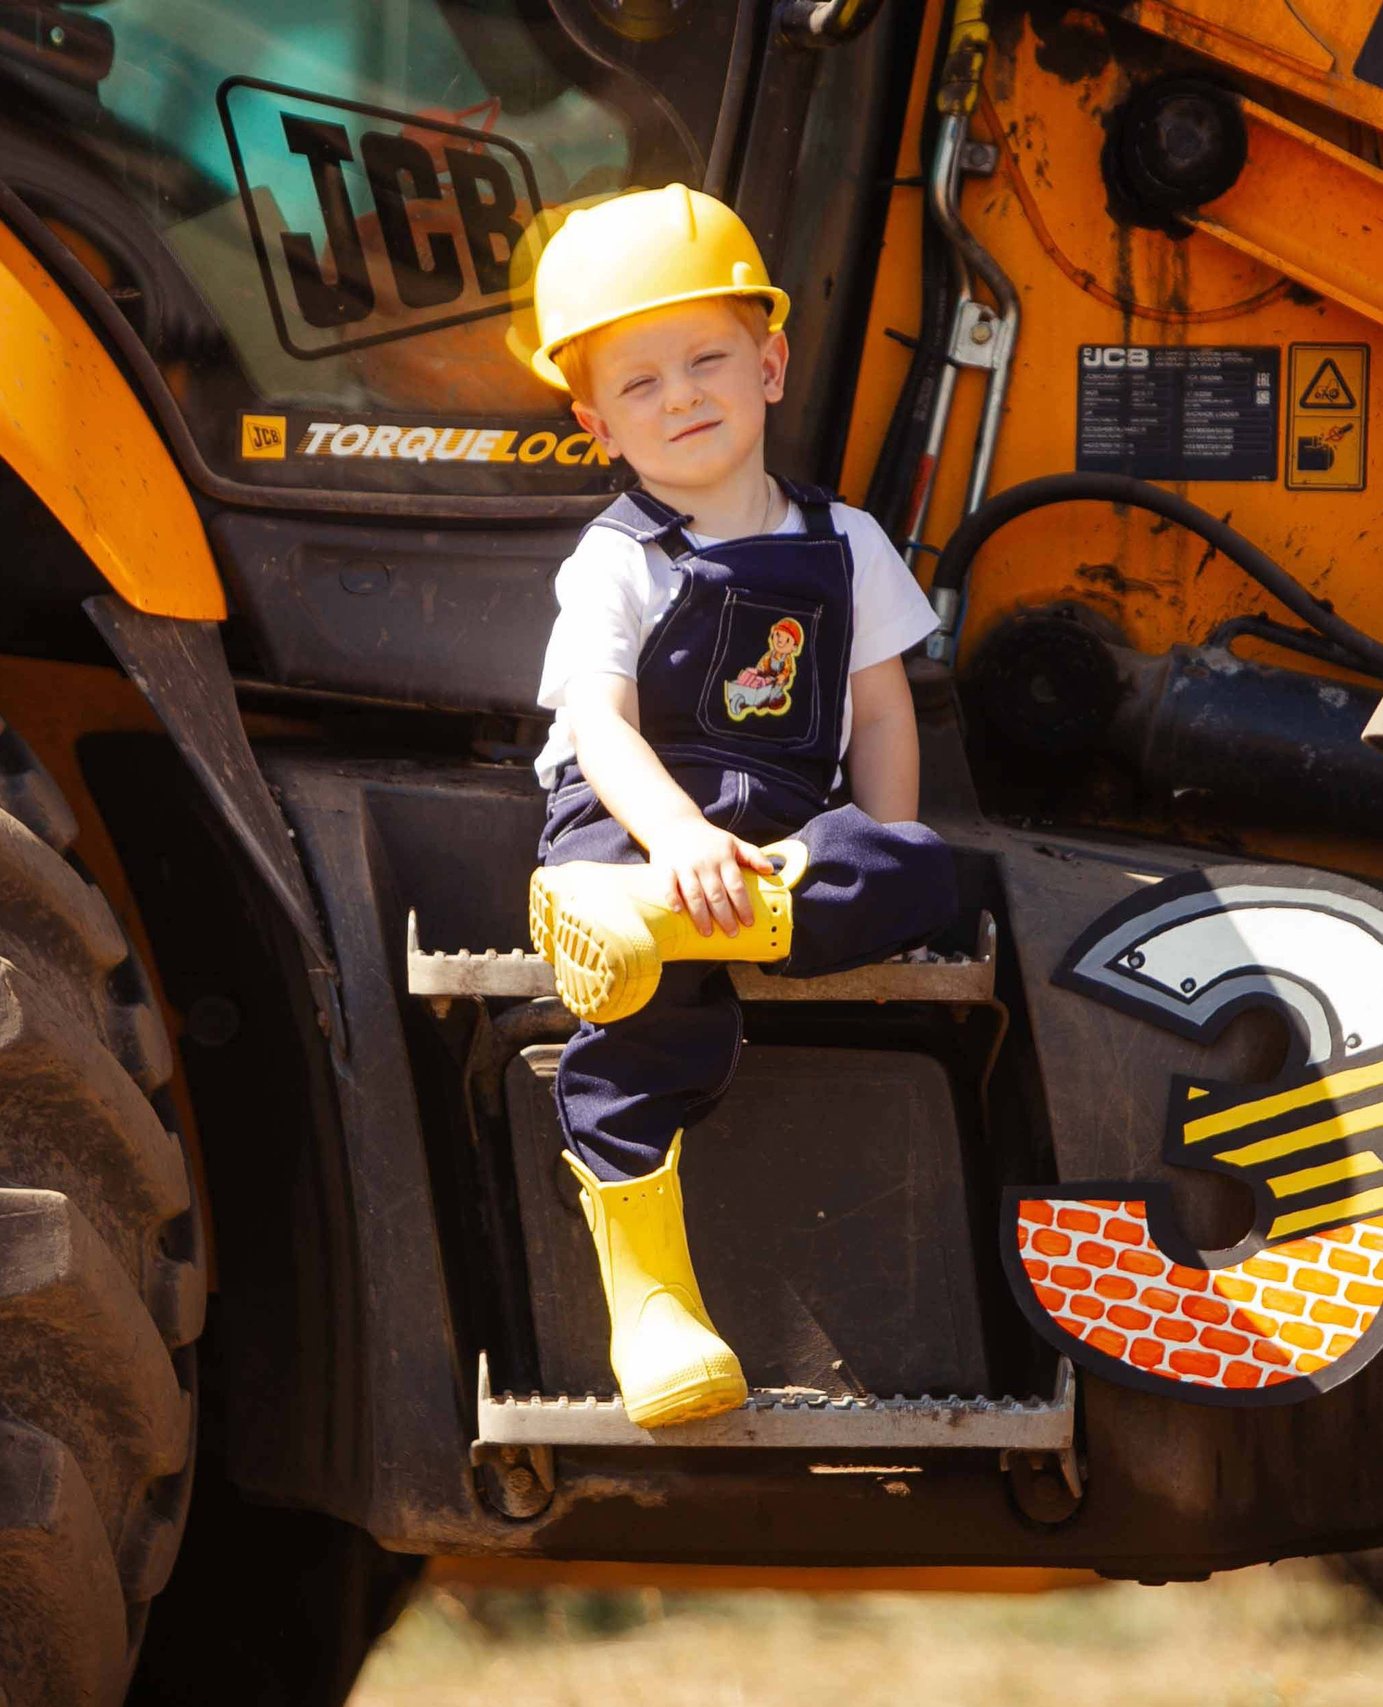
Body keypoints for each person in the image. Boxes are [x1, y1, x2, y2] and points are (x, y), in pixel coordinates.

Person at [520, 185, 958, 1428]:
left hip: (776, 838)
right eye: (640, 382)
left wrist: (876, 856)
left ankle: (687, 918)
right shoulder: (617, 557)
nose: (681, 396)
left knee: (922, 867)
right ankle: (652, 1304)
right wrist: (675, 841)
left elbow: (879, 717)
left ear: (769, 363)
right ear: (594, 418)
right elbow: (599, 727)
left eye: (706, 359)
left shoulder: (848, 540)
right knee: (647, 1025)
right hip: (632, 823)